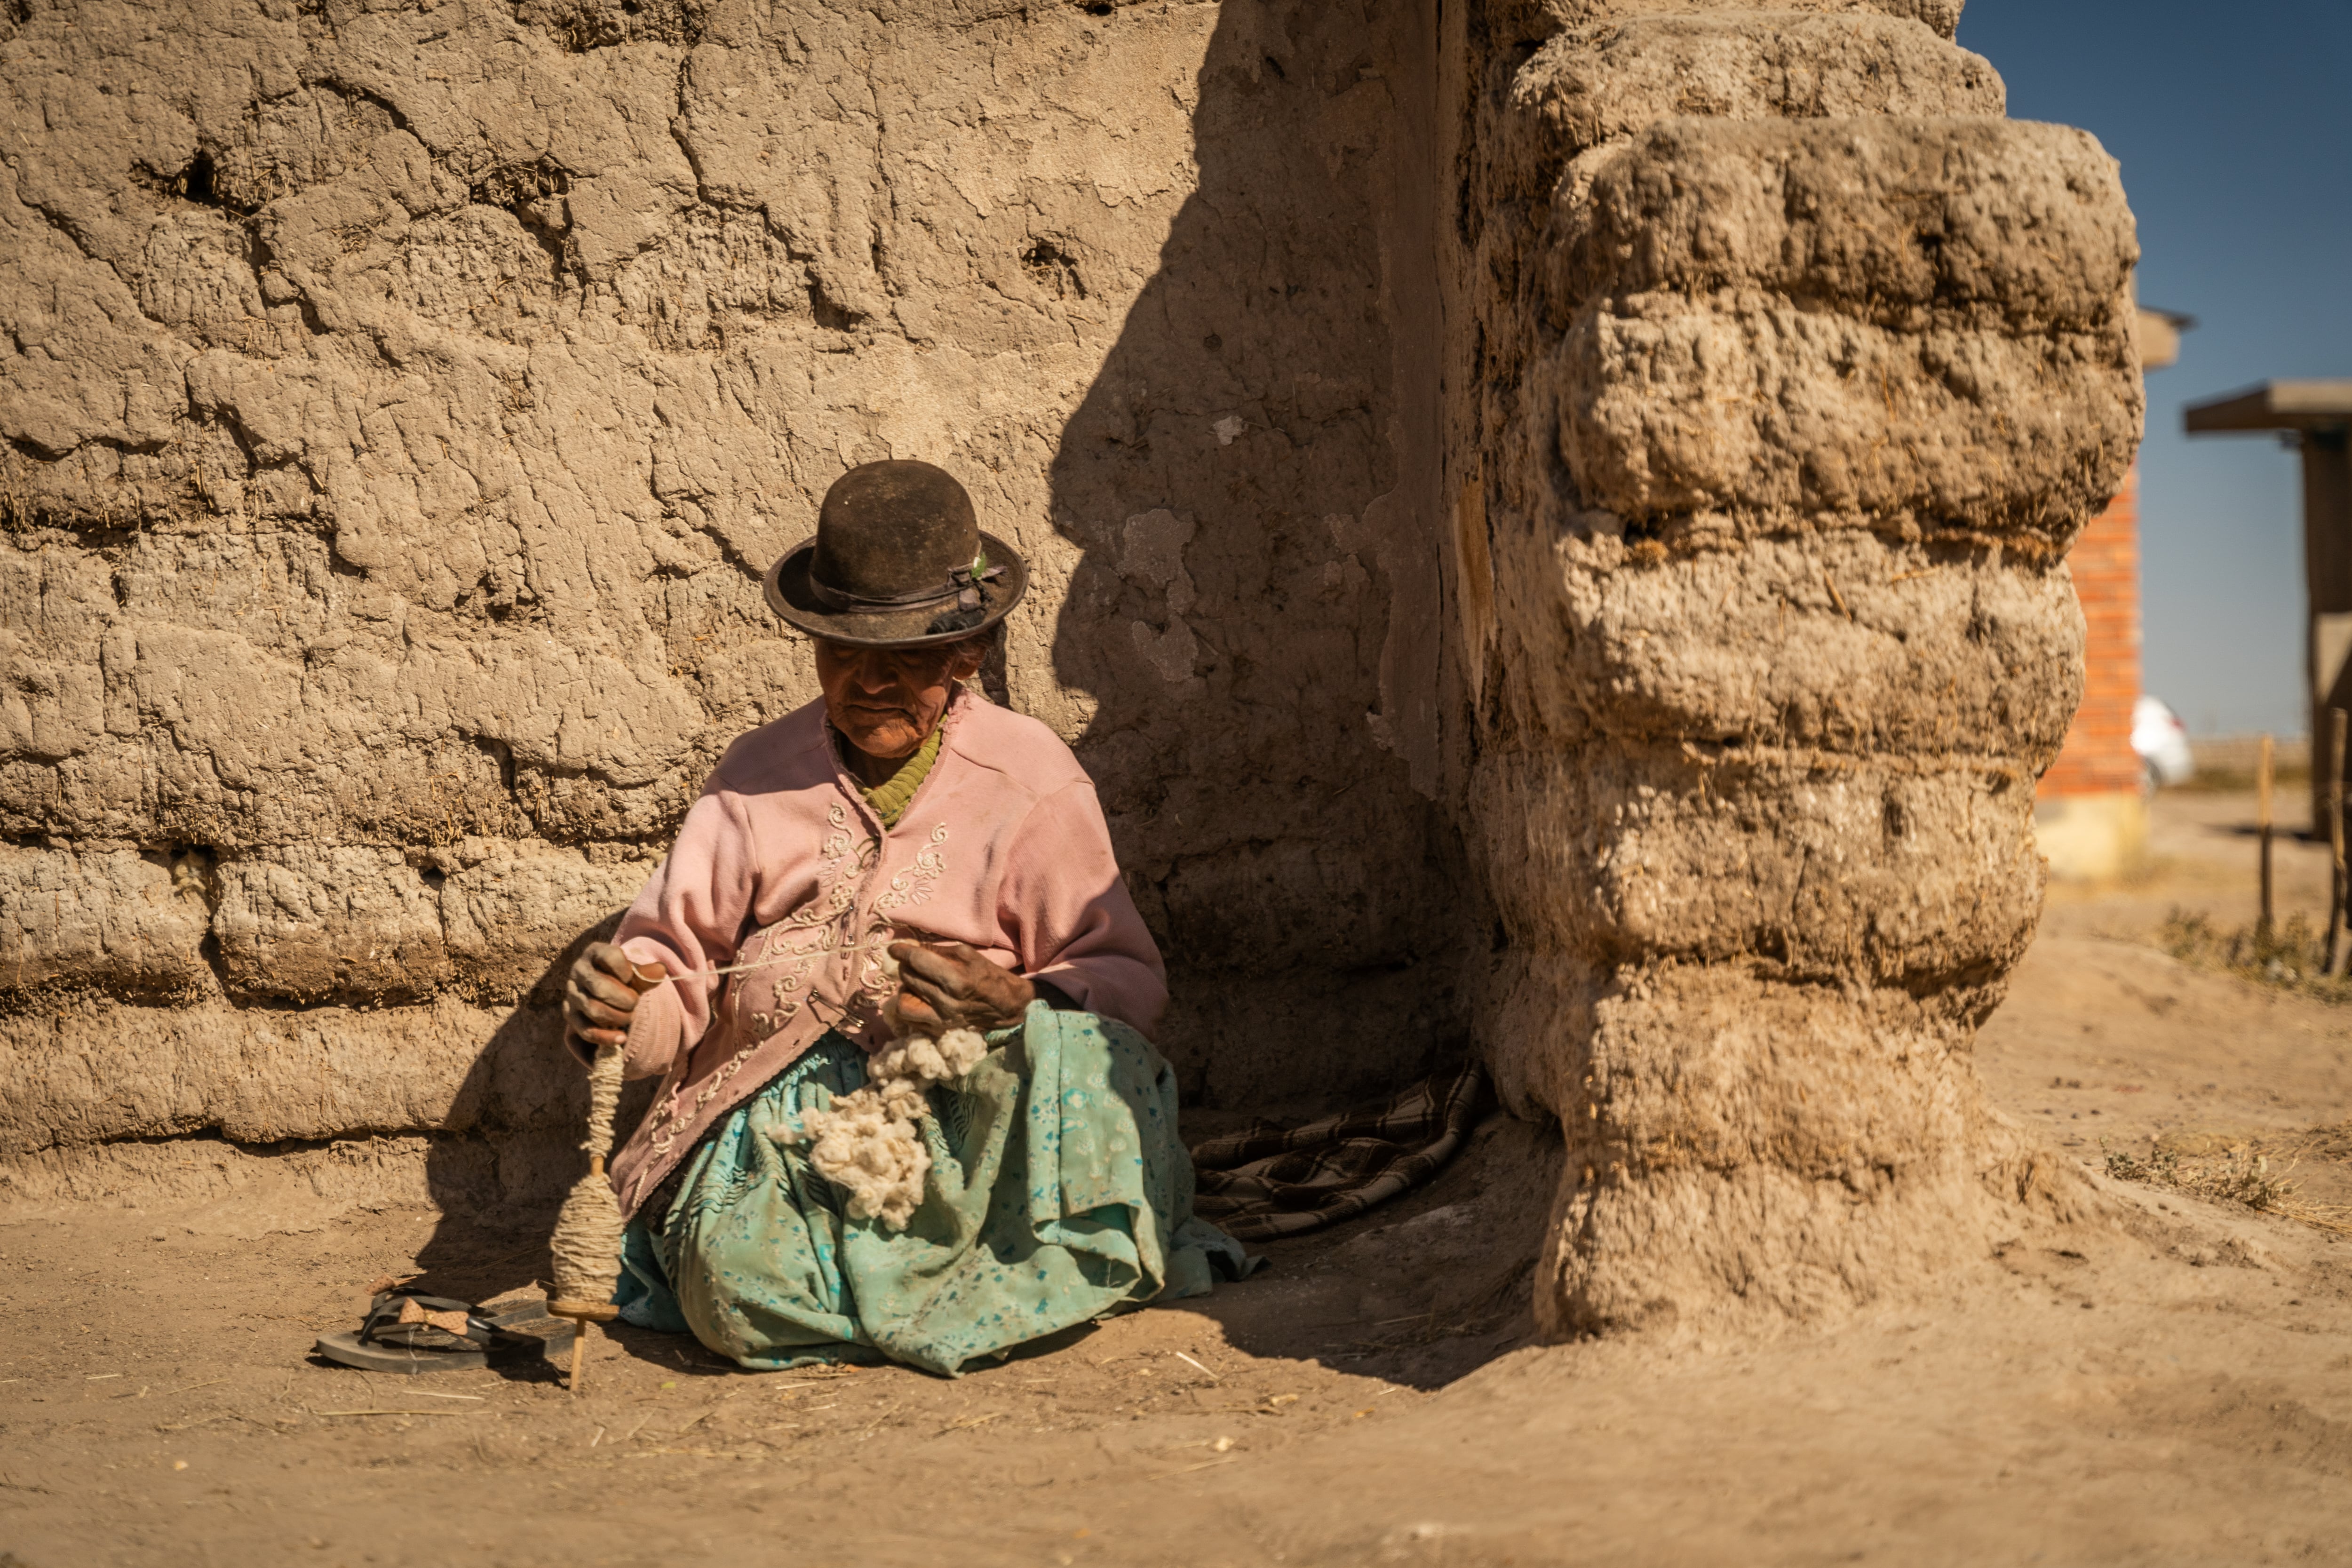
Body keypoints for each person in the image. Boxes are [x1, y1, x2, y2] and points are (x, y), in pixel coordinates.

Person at [562, 459, 1247, 1376]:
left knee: (1100, 1062)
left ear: (966, 652)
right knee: (735, 1290)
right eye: (846, 651)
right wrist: (623, 1007)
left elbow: (1128, 983)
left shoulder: (1028, 775)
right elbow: (671, 977)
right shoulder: (755, 777)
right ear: (812, 644)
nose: (873, 682)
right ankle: (940, 1295)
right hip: (785, 1135)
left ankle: (924, 1280)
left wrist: (1014, 1000)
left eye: (909, 658)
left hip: (971, 1120)